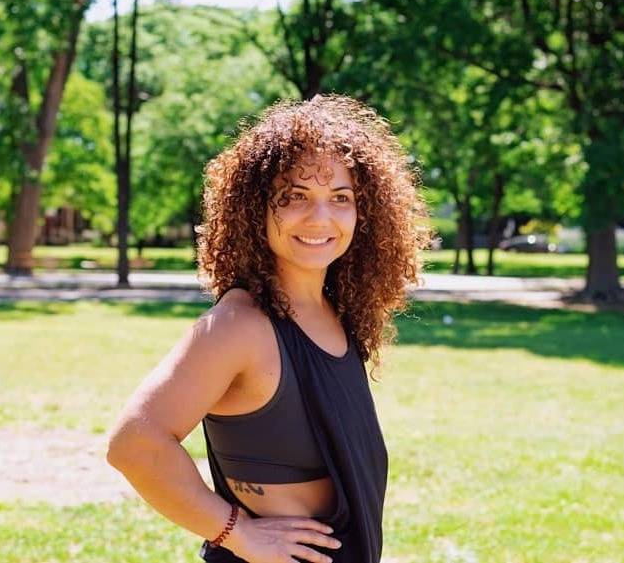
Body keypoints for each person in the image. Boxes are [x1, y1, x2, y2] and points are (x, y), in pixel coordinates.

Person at [106, 94, 428, 563]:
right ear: (256, 208)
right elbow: (134, 443)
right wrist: (237, 533)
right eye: (295, 197)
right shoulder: (241, 325)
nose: (320, 218)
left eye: (341, 198)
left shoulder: (335, 312)